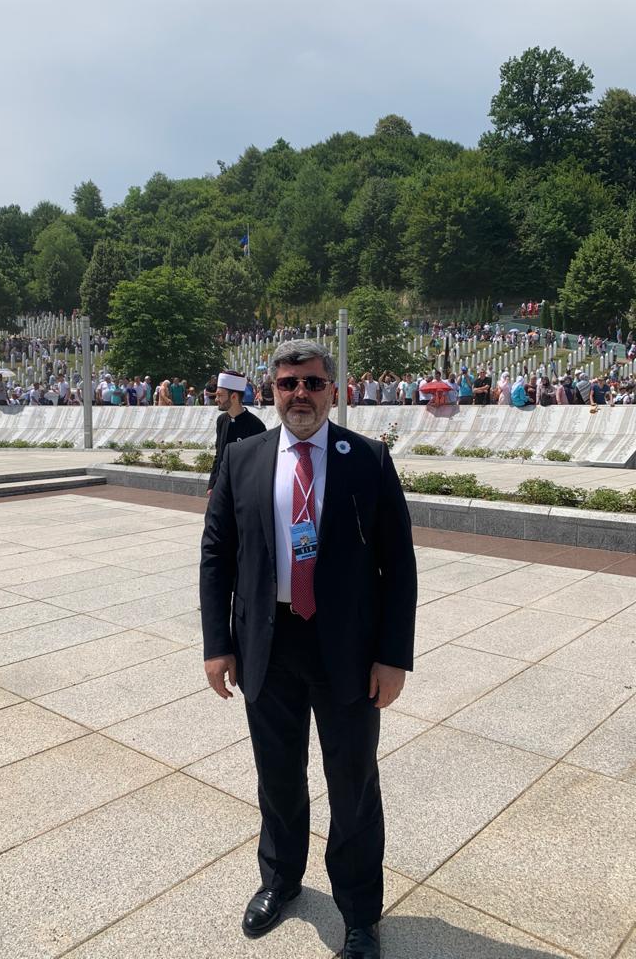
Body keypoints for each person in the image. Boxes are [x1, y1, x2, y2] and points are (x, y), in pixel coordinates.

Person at [200, 340, 416, 959]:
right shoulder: (243, 457)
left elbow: (398, 564)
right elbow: (216, 554)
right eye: (288, 383)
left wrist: (393, 655)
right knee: (277, 775)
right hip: (267, 643)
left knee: (352, 783)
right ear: (271, 391)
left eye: (313, 383)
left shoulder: (367, 458)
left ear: (332, 390)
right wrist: (218, 644)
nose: (301, 394)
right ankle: (281, 879)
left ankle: (359, 913)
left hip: (346, 649)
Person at [207, 370, 266, 495]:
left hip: (245, 491)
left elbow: (261, 464)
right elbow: (219, 454)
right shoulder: (221, 420)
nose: (216, 399)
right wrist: (212, 484)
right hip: (222, 487)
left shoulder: (256, 426)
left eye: (220, 395)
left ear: (233, 397)